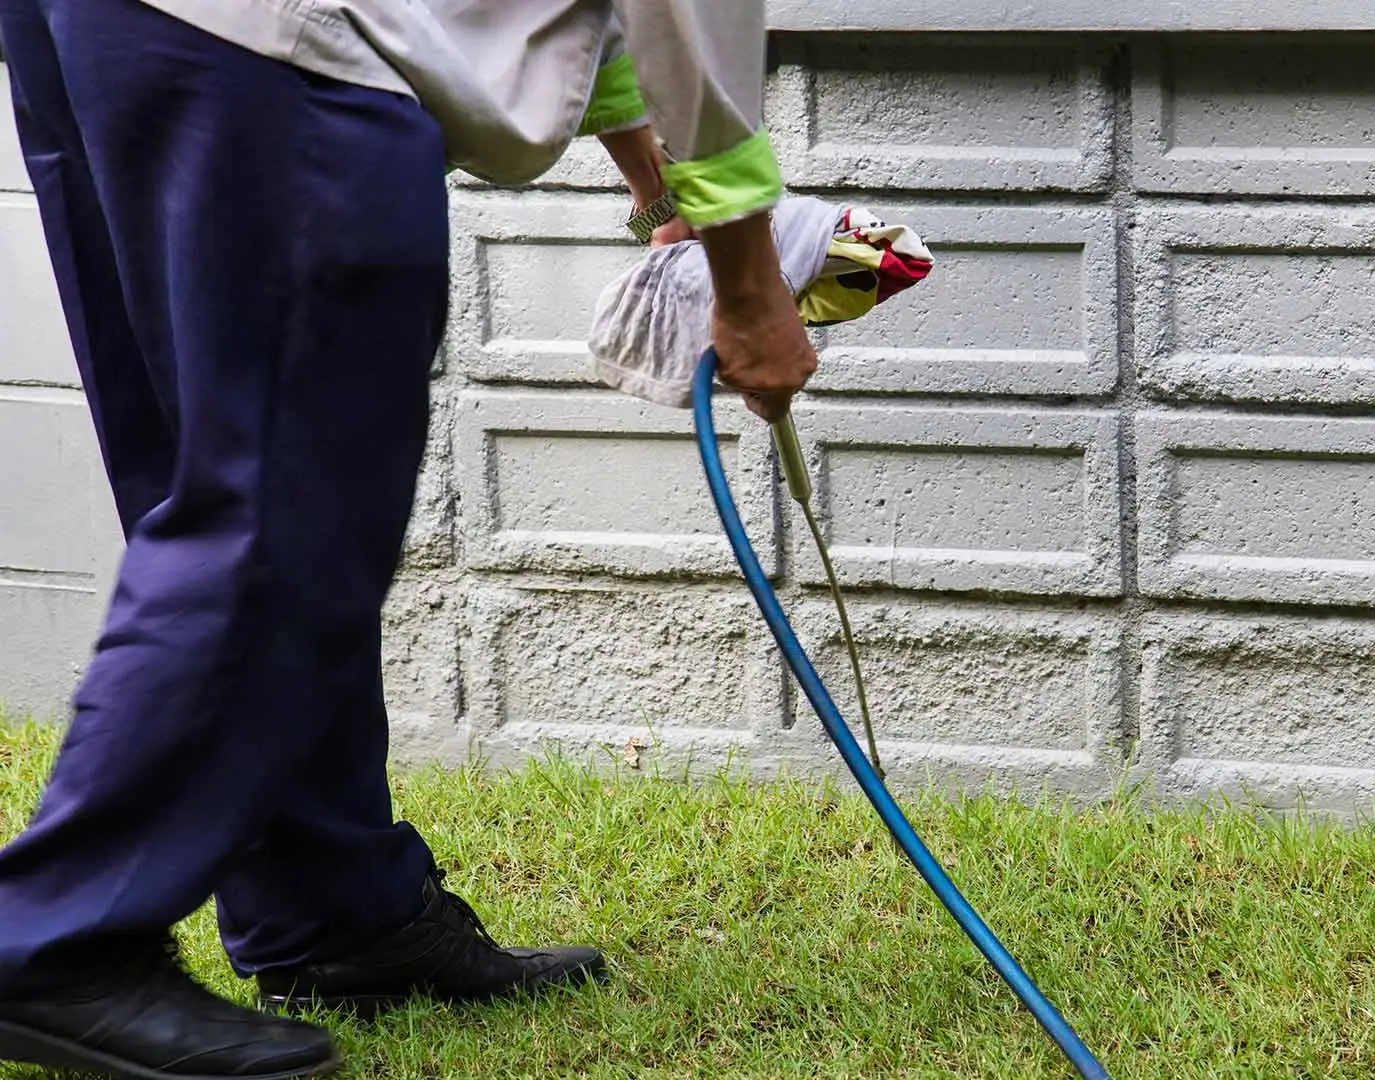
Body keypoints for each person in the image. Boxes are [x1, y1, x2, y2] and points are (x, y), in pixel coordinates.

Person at [0, 1, 816, 1077]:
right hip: (273, 44)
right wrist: (749, 280)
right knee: (281, 509)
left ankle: (335, 911)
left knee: (210, 472)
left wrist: (653, 185)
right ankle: (52, 939)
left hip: (108, 30)